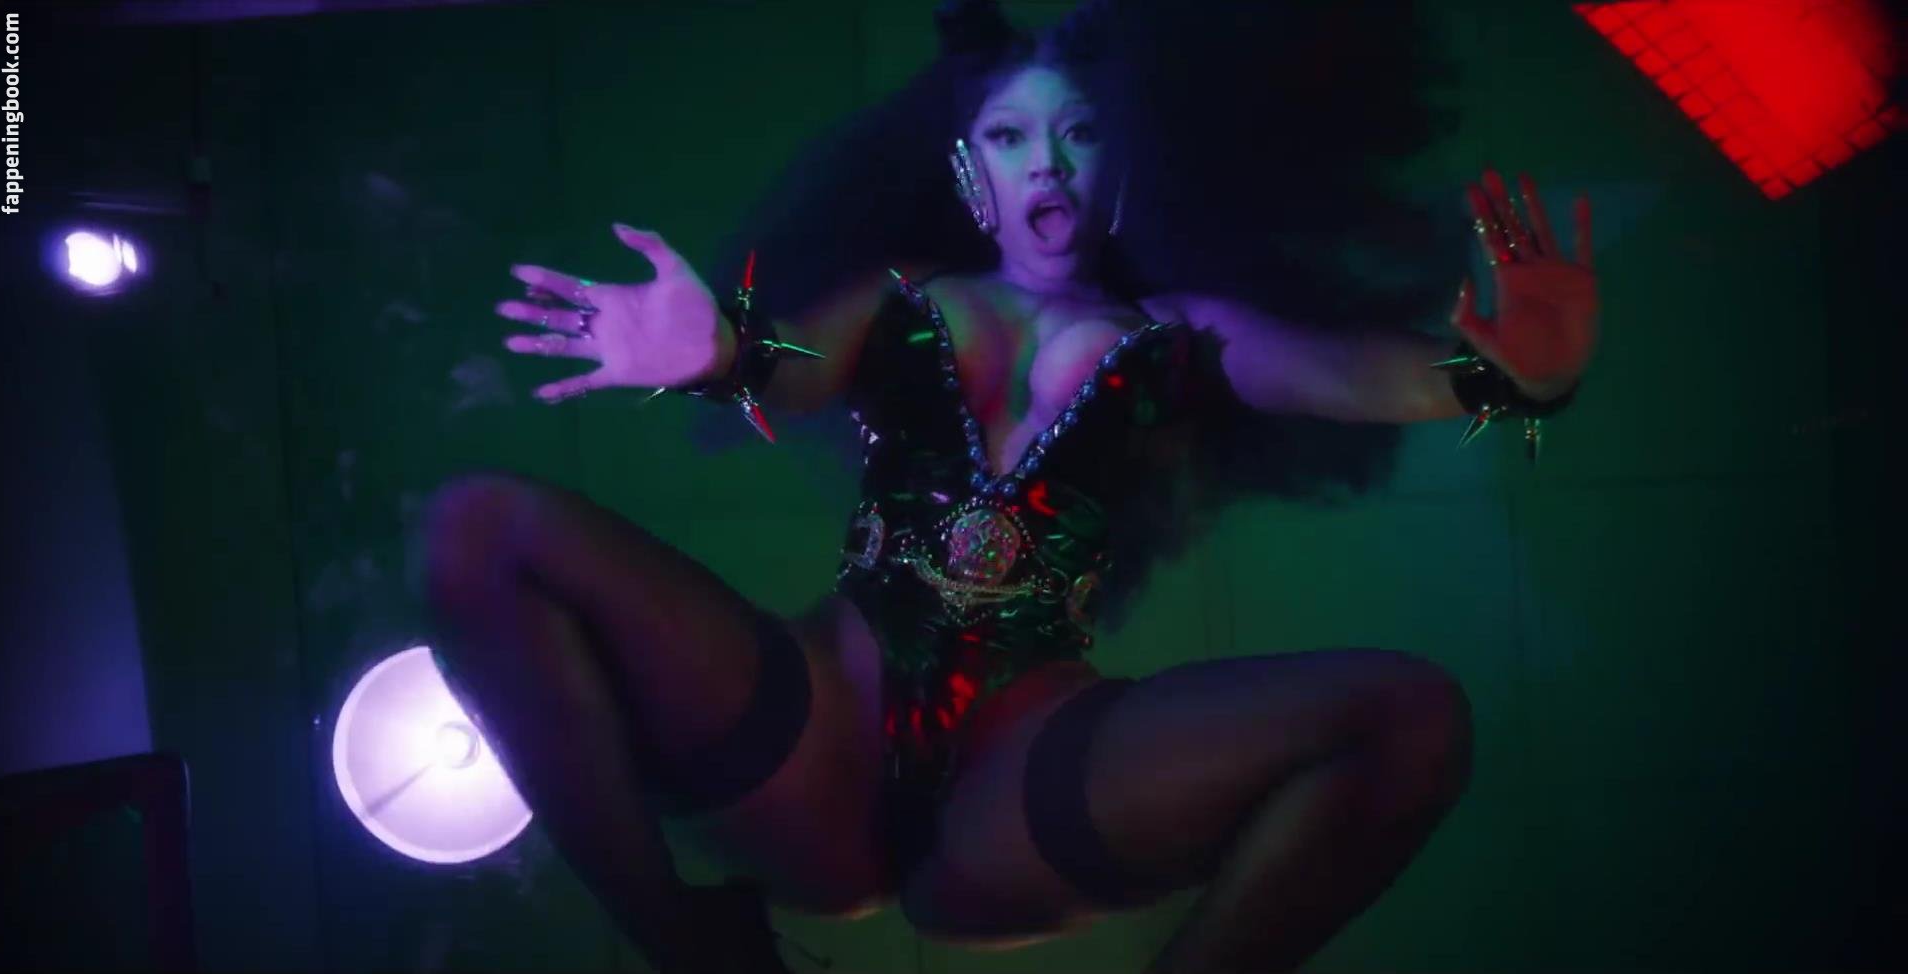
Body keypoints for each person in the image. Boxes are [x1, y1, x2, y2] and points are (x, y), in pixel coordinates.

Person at [419, 1, 1600, 971]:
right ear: (969, 168)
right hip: (817, 729)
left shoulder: (1180, 332)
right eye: (1010, 134)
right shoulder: (907, 295)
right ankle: (685, 939)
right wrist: (717, 353)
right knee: (478, 527)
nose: (1048, 162)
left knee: (1414, 715)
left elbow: (1365, 376)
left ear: (1120, 166)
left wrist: (1517, 381)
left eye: (1080, 131)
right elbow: (793, 364)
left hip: (1024, 766)